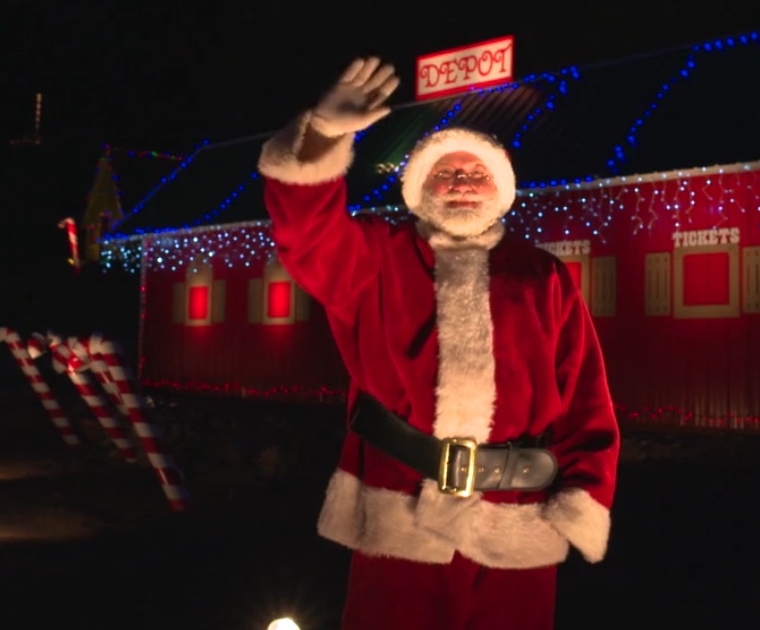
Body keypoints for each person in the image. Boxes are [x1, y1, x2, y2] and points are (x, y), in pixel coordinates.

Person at [256, 57, 620, 630]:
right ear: (418, 189)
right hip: (399, 517)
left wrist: (582, 496)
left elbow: (586, 398)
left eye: (475, 175)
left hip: (517, 526)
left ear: (499, 190)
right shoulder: (375, 258)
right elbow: (305, 232)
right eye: (444, 175)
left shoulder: (543, 277)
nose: (460, 185)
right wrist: (322, 136)